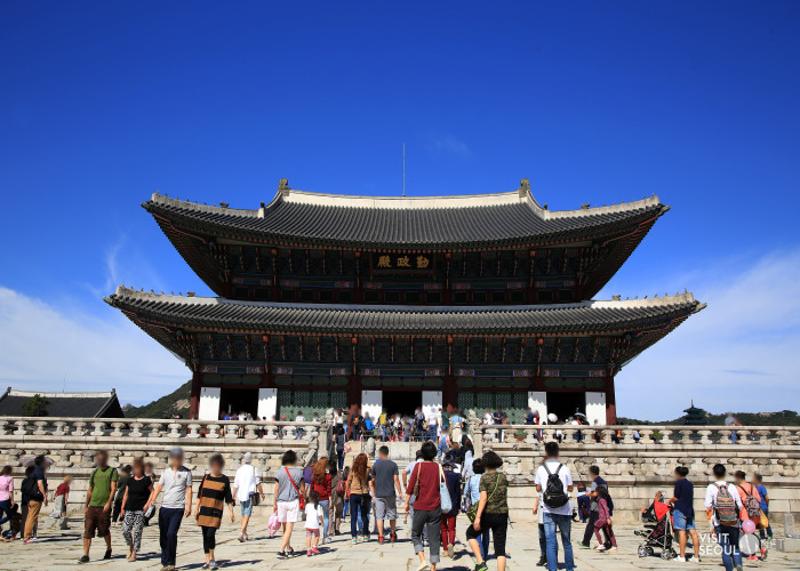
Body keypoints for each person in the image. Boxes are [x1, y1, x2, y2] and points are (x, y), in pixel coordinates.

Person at [144, 447, 193, 571]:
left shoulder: (187, 472)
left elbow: (188, 489)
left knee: (171, 534)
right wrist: (150, 502)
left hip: (178, 508)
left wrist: (188, 505)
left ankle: (171, 562)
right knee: (163, 536)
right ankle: (165, 562)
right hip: (165, 507)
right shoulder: (166, 472)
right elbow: (159, 487)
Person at [534, 442, 574, 571]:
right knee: (566, 541)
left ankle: (552, 568)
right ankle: (569, 568)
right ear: (558, 452)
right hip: (564, 509)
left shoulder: (541, 469)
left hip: (548, 508)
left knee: (550, 541)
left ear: (546, 452)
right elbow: (570, 487)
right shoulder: (565, 468)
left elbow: (538, 487)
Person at [466, 451, 508, 571]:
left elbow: (483, 498)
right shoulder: (503, 477)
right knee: (500, 549)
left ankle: (480, 562)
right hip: (502, 514)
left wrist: (478, 517)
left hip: (488, 514)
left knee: (470, 533)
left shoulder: (484, 478)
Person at [405, 440, 442, 571]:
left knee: (415, 534)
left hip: (420, 505)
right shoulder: (438, 467)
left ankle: (422, 559)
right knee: (434, 538)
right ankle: (433, 567)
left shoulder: (418, 467)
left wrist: (406, 502)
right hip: (435, 506)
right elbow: (443, 484)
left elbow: (410, 488)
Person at [195, 453, 234, 570]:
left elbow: (228, 497)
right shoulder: (206, 477)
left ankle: (212, 559)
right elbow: (199, 494)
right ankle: (207, 559)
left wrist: (231, 512)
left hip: (216, 512)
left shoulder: (224, 479)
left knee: (210, 535)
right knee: (204, 536)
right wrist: (196, 508)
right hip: (204, 510)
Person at [704, 463, 745, 571]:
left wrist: (711, 522)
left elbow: (708, 506)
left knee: (725, 548)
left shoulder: (711, 487)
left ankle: (730, 569)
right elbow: (740, 505)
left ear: (714, 473)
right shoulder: (732, 486)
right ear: (725, 473)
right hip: (734, 522)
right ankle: (739, 565)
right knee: (735, 546)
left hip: (719, 522)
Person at [79, 450, 118, 563]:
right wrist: (86, 505)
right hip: (93, 505)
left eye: (101, 458)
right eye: (98, 459)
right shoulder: (95, 472)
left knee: (104, 529)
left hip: (103, 505)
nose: (100, 460)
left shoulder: (112, 471)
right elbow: (90, 489)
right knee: (88, 530)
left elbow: (113, 488)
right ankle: (86, 554)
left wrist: (109, 502)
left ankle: (109, 548)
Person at [274, 449, 305, 559]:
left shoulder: (279, 472)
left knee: (285, 528)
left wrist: (274, 503)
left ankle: (288, 548)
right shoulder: (299, 472)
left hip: (281, 502)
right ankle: (281, 550)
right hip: (292, 501)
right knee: (289, 527)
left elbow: (276, 489)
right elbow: (302, 489)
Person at [120, 457, 152, 562]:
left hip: (140, 509)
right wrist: (122, 507)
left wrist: (148, 504)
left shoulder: (146, 480)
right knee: (125, 530)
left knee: (138, 531)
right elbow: (126, 494)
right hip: (129, 508)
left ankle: (134, 553)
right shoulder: (130, 480)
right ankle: (131, 546)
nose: (135, 470)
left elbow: (153, 492)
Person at [370, 445, 403, 544]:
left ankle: (380, 536)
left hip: (379, 494)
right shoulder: (393, 465)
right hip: (390, 493)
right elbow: (396, 479)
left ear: (380, 453)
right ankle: (392, 534)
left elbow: (372, 480)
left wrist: (374, 491)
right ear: (387, 453)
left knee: (379, 516)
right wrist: (400, 492)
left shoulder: (376, 465)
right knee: (392, 514)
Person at [669, 466, 701, 563]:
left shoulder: (678, 483)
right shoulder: (690, 484)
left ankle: (682, 556)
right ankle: (696, 557)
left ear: (678, 474)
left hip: (680, 509)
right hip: (689, 510)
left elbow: (676, 497)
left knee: (682, 532)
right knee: (693, 533)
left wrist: (669, 501)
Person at [580, 465, 614, 551]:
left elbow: (595, 494)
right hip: (603, 504)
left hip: (596, 506)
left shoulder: (595, 482)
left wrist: (588, 494)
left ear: (592, 473)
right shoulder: (603, 481)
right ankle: (609, 543)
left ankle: (585, 542)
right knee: (604, 526)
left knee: (591, 524)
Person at [734, 470, 766, 560]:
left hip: (745, 514)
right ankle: (756, 551)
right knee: (751, 533)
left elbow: (736, 503)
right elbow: (759, 499)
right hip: (755, 514)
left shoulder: (738, 488)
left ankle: (754, 554)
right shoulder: (752, 486)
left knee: (748, 534)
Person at [232, 452, 262, 543]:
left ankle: (244, 533)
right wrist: (262, 493)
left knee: (243, 514)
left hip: (241, 495)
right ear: (251, 459)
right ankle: (241, 532)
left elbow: (235, 485)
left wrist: (233, 496)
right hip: (249, 495)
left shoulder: (239, 470)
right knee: (247, 515)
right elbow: (258, 483)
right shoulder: (254, 469)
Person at [464, 458, 491, 560]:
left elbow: (466, 492)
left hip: (476, 509)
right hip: (487, 508)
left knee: (476, 532)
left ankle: (480, 553)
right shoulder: (487, 479)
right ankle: (485, 552)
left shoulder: (471, 479)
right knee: (486, 532)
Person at [347, 452, 372, 544]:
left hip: (354, 494)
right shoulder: (367, 470)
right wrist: (367, 459)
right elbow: (370, 467)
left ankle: (354, 536)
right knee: (364, 515)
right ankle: (365, 534)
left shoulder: (353, 469)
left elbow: (348, 481)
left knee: (353, 516)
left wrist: (347, 491)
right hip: (364, 494)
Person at [23, 455, 48, 544]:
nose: (46, 463)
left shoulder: (33, 471)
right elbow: (40, 484)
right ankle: (27, 537)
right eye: (45, 461)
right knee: (32, 517)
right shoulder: (39, 471)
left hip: (30, 497)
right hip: (36, 497)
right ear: (42, 462)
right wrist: (44, 495)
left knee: (30, 516)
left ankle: (27, 536)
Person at [440, 462, 462, 559]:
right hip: (452, 506)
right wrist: (458, 506)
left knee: (443, 529)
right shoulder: (456, 476)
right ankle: (451, 544)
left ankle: (445, 549)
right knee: (452, 528)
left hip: (441, 506)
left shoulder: (439, 477)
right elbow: (458, 493)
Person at [310, 456, 333, 542]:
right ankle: (325, 536)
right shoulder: (328, 476)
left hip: (315, 498)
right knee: (326, 517)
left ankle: (314, 535)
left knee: (314, 517)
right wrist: (330, 498)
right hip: (324, 498)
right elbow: (329, 489)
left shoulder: (314, 475)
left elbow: (312, 487)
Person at [753, 474, 773, 541]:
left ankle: (768, 535)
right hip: (759, 508)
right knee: (761, 522)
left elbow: (767, 498)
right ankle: (763, 536)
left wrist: (766, 505)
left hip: (763, 507)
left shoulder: (761, 487)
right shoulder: (755, 488)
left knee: (765, 522)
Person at [304, 491, 324, 556]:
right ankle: (314, 547)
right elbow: (320, 515)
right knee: (317, 536)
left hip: (308, 524)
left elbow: (306, 513)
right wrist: (322, 522)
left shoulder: (307, 505)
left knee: (308, 537)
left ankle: (308, 550)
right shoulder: (318, 506)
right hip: (315, 524)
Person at [0, 466, 15, 533]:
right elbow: (10, 490)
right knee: (10, 515)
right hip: (5, 499)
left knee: (0, 515)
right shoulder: (10, 478)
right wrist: (12, 500)